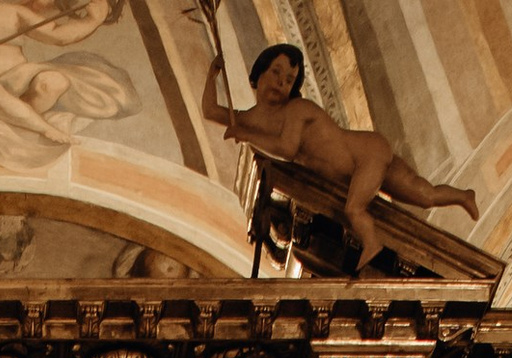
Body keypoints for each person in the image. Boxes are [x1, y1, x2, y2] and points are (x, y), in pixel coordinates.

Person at [190, 24, 477, 246]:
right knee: (424, 195)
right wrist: (211, 75)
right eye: (276, 72)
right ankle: (465, 196)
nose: (281, 82)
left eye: (289, 79)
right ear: (258, 74)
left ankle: (371, 247)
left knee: (354, 210)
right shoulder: (252, 120)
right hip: (361, 163)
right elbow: (211, 111)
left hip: (364, 154)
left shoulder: (296, 109)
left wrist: (246, 135)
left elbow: (287, 149)